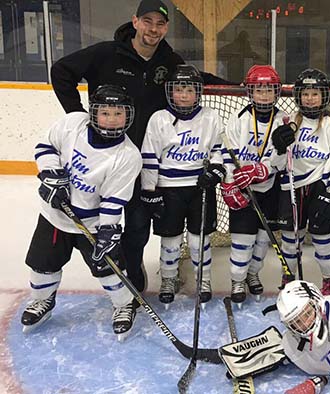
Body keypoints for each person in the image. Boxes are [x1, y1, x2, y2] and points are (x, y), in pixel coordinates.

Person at [50, 0, 232, 293]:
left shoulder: (168, 60)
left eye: (160, 24)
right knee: (96, 224)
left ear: (166, 28)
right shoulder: (106, 54)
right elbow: (61, 71)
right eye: (147, 21)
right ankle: (101, 281)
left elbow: (200, 79)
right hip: (105, 158)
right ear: (135, 22)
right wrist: (80, 118)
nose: (153, 29)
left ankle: (132, 279)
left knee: (136, 228)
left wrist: (241, 87)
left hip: (144, 164)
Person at [21, 85, 141, 340]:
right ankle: (42, 300)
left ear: (128, 115)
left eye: (118, 113)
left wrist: (109, 231)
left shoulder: (128, 156)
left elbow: (113, 199)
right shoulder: (72, 123)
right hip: (55, 216)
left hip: (93, 223)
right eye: (105, 113)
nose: (111, 120)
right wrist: (51, 175)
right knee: (43, 263)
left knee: (107, 268)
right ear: (93, 112)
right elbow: (46, 147)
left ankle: (124, 305)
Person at [140, 64, 225, 307]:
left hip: (200, 187)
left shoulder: (210, 116)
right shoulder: (159, 118)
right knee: (171, 240)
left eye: (189, 89)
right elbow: (149, 157)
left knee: (200, 240)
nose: (184, 95)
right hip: (169, 188)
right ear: (170, 91)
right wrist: (150, 191)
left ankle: (203, 280)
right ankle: (168, 279)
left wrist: (217, 169)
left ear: (198, 92)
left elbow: (218, 149)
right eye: (178, 89)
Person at [268, 68, 330, 288]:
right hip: (292, 188)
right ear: (298, 96)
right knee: (290, 241)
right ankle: (288, 280)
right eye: (305, 93)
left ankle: (329, 281)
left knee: (324, 240)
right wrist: (278, 148)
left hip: (319, 188)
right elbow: (275, 165)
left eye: (315, 93)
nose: (310, 99)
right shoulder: (286, 122)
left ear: (324, 95)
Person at [221, 65, 288, 306]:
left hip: (269, 188)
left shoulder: (283, 119)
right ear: (250, 91)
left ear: (277, 92)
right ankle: (238, 279)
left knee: (263, 239)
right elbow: (227, 152)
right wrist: (229, 183)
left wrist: (266, 168)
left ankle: (252, 273)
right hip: (242, 189)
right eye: (259, 89)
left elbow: (285, 155)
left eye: (269, 90)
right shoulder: (239, 118)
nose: (264, 95)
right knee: (243, 239)